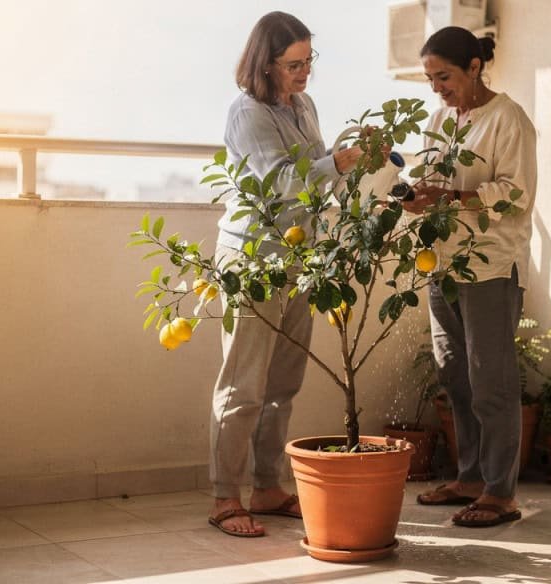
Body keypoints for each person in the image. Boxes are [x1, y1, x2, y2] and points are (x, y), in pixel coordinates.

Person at [207, 11, 363, 538]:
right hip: (253, 259)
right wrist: (336, 166)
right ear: (264, 64)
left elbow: (319, 174)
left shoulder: (305, 106)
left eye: (308, 61)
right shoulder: (246, 114)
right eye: (293, 64)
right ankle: (225, 496)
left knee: (283, 384)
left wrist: (351, 166)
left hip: (300, 257)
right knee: (243, 384)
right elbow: (280, 184)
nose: (304, 73)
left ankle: (267, 486)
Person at [403, 26, 537, 528]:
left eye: (445, 76)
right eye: (430, 78)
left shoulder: (508, 119)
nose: (437, 87)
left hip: (489, 267)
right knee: (454, 376)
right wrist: (419, 195)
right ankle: (471, 478)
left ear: (474, 68)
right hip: (443, 265)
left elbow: (516, 194)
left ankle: (501, 494)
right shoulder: (440, 119)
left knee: (491, 383)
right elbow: (436, 181)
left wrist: (451, 199)